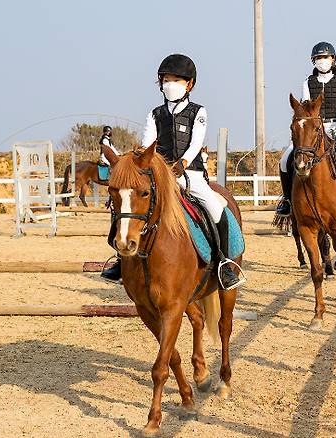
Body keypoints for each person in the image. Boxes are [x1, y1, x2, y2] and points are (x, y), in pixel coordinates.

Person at [139, 53, 245, 290]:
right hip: (161, 175)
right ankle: (122, 260)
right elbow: (148, 144)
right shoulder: (154, 114)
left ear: (189, 84)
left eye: (176, 80)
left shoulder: (198, 111)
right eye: (166, 80)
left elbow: (196, 143)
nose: (170, 84)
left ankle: (224, 263)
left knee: (216, 209)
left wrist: (183, 163)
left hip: (191, 175)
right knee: (131, 206)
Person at [277, 41, 336, 216]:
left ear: (333, 59)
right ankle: (287, 200)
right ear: (313, 61)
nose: (322, 60)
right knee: (284, 160)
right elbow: (306, 107)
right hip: (313, 129)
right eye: (318, 58)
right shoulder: (308, 81)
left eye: (325, 57)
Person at [100, 126, 125, 282]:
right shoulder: (104, 140)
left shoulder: (109, 140)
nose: (109, 133)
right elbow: (109, 152)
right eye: (108, 131)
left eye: (110, 131)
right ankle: (121, 261)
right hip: (107, 161)